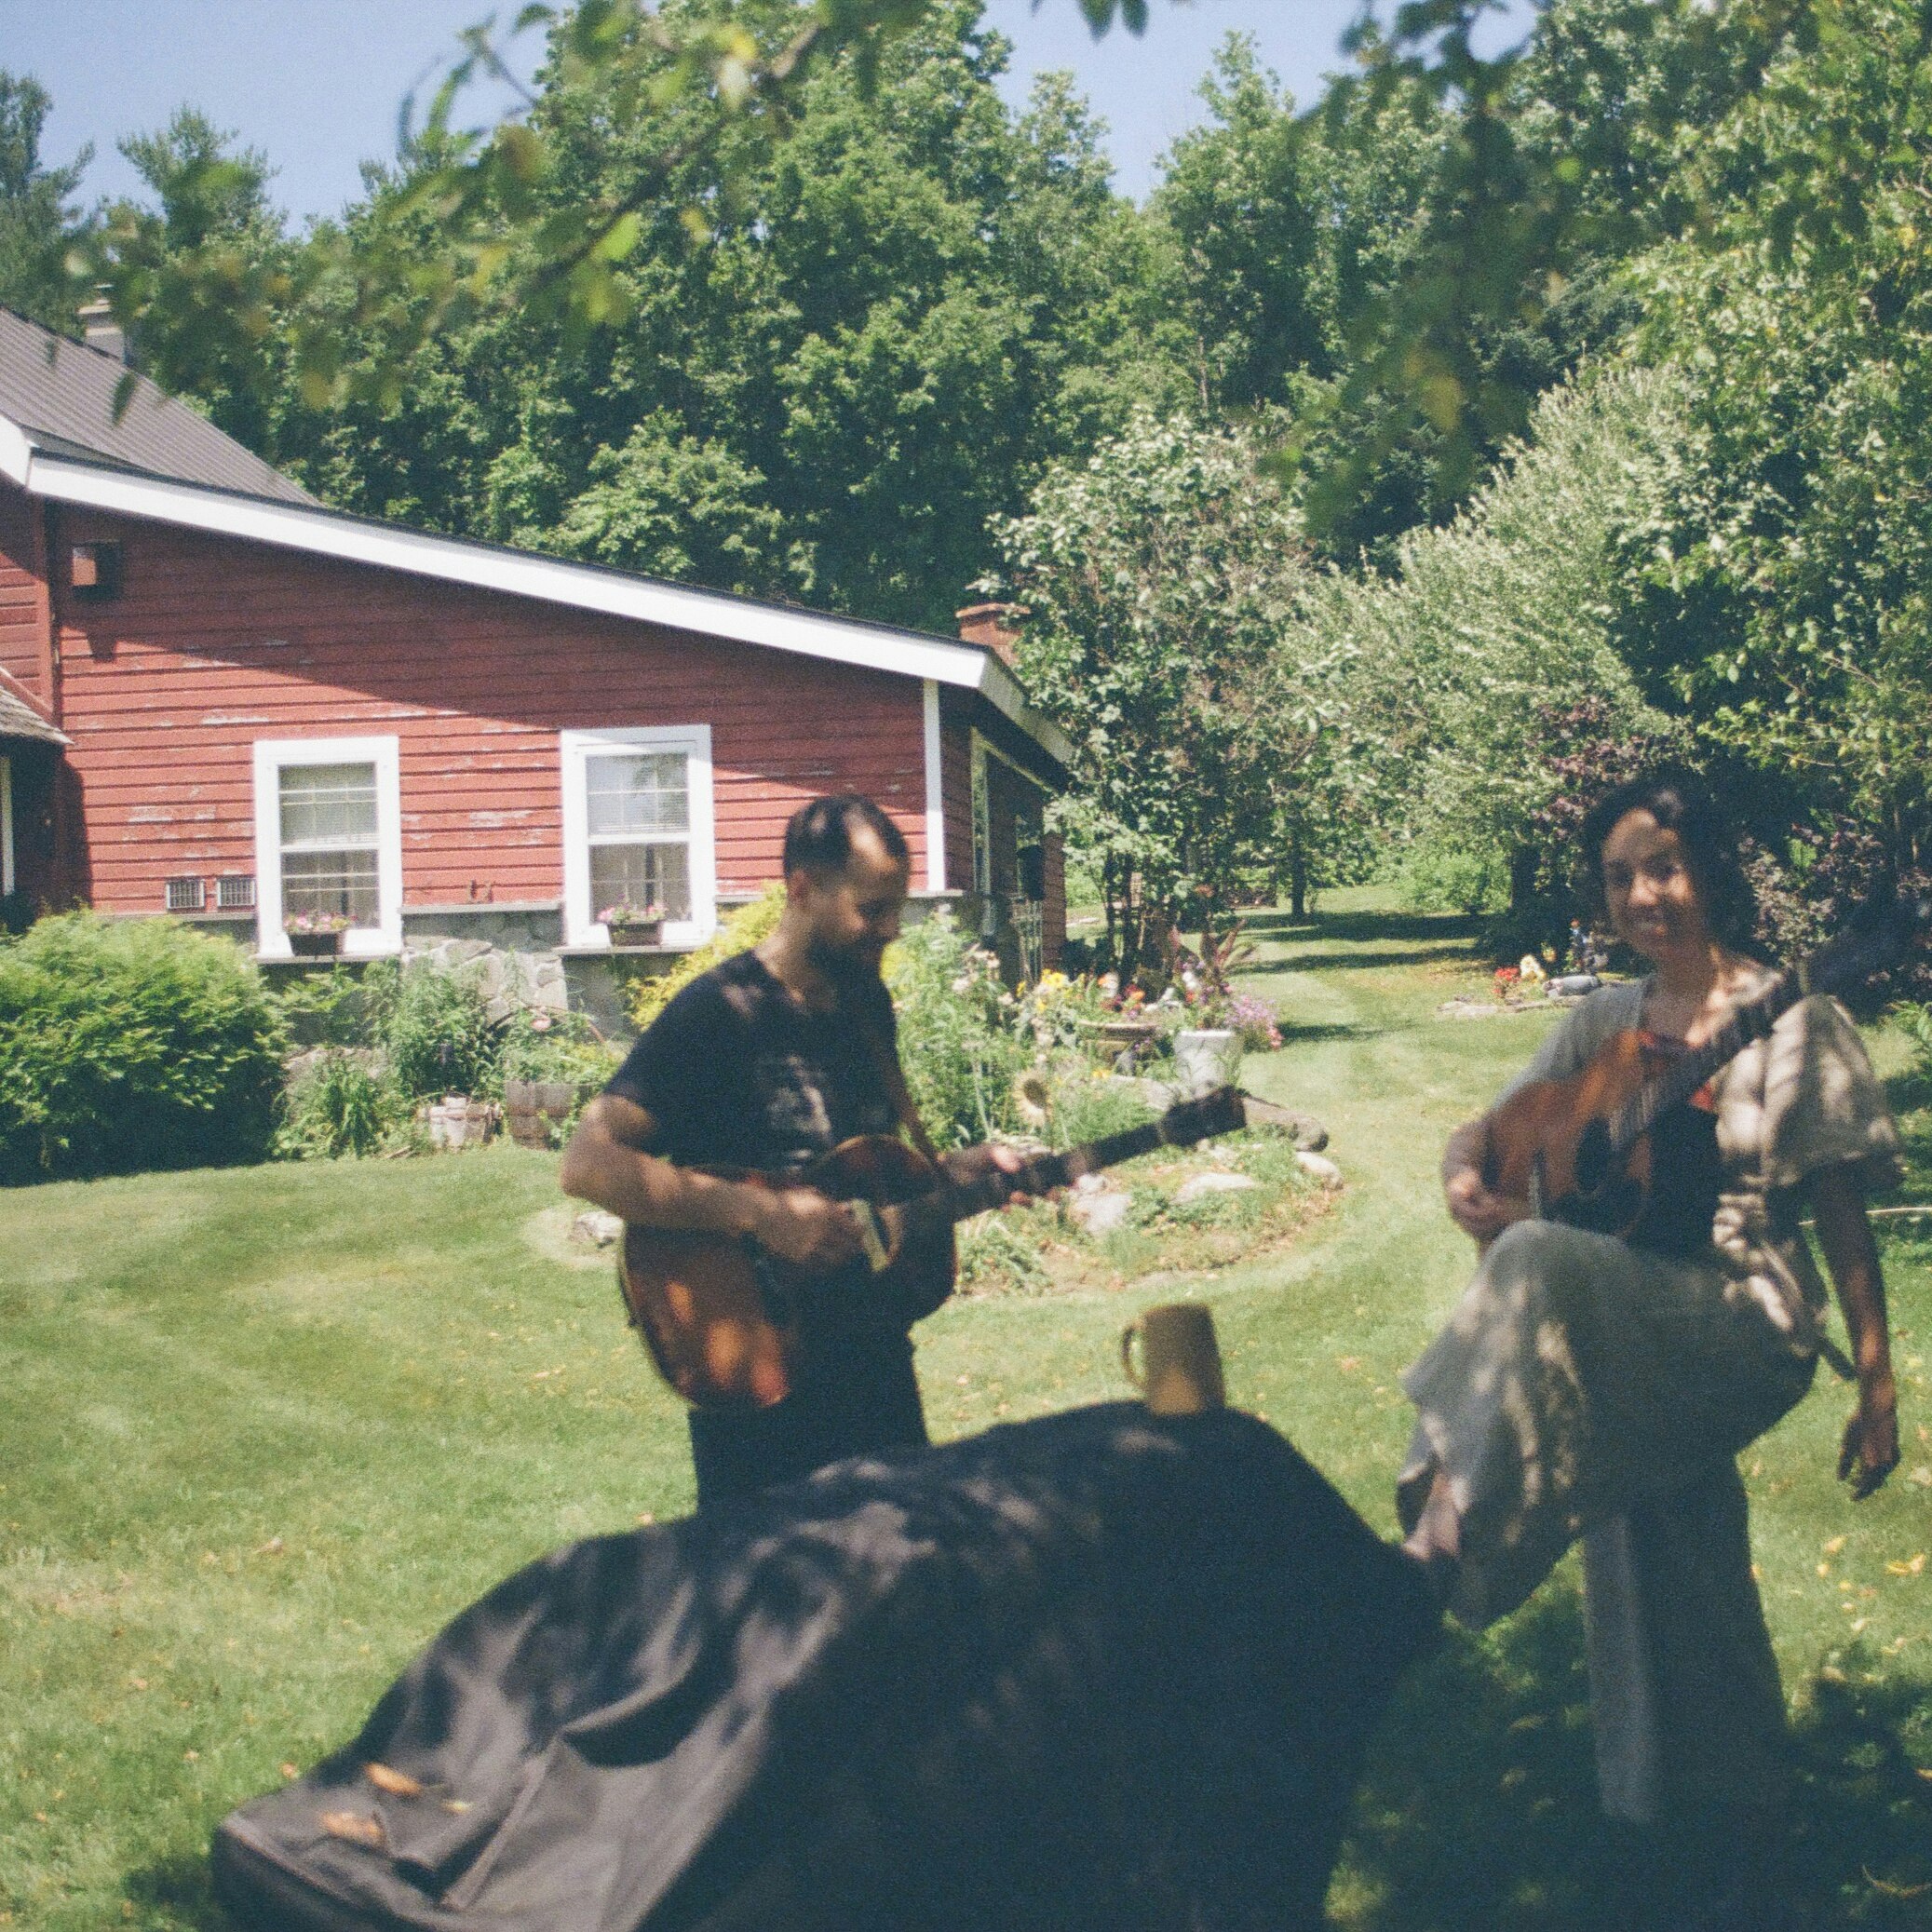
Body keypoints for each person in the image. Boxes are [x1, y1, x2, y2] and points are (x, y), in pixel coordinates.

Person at [1398, 769, 1901, 1919]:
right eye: (1620, 875)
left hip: (1744, 1312)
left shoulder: (1791, 1014)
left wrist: (1874, 1378)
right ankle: (1697, 1815)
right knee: (1655, 1534)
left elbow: (1836, 1212)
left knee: (1535, 1261)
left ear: (1708, 867)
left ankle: (1435, 1531)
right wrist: (1462, 1175)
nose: (1643, 894)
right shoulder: (1603, 1020)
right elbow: (1493, 1124)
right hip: (1628, 1309)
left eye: (1662, 867)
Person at [561, 792, 1025, 1508]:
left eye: (896, 908)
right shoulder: (716, 1015)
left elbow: (859, 1177)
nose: (892, 930)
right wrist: (760, 1214)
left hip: (874, 1369)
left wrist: (955, 1176)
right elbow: (588, 1162)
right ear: (802, 891)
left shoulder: (865, 1005)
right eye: (872, 910)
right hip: (760, 1388)